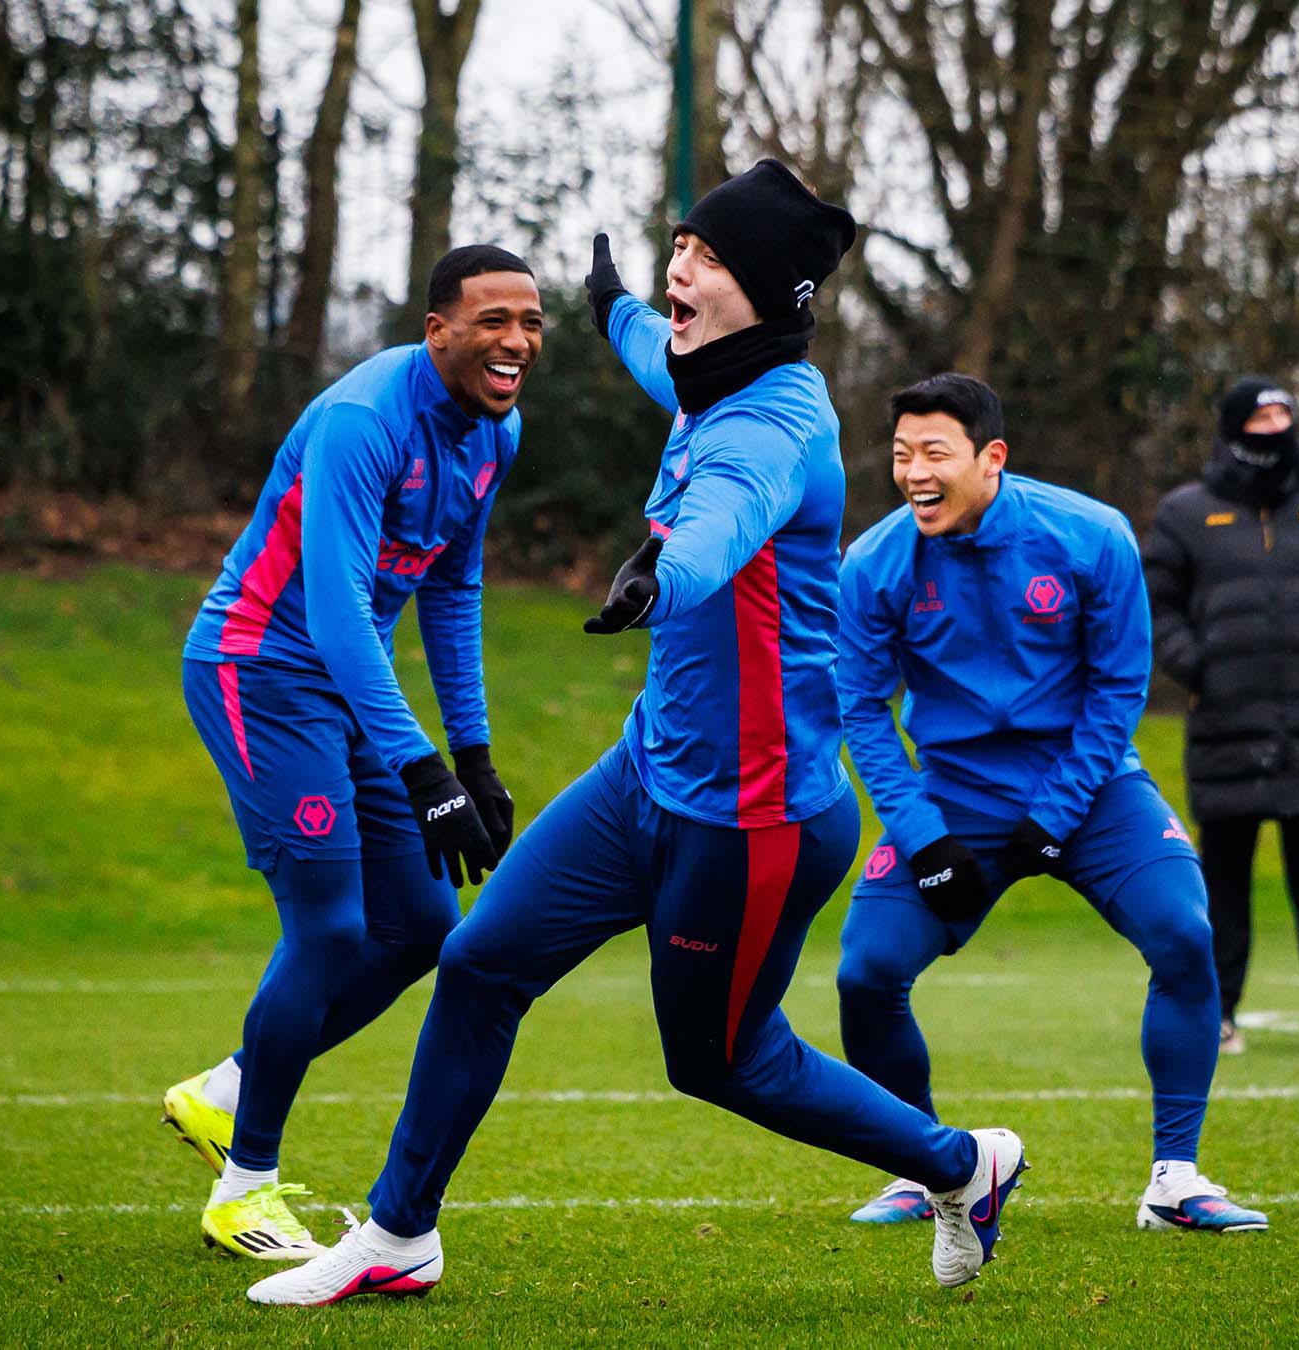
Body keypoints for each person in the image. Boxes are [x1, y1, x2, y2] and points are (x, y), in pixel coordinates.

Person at [246, 162, 1025, 1309]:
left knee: (721, 1060)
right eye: (678, 247)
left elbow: (721, 522)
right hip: (645, 775)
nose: (678, 270)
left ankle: (961, 1163)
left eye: (704, 257)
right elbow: (651, 352)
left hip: (753, 817)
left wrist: (663, 576)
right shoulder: (706, 369)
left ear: (767, 294)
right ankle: (400, 1232)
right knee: (478, 963)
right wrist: (613, 302)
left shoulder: (774, 425)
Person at [164, 244, 541, 1260]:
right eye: (493, 321)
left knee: (422, 927)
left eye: (531, 323)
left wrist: (472, 756)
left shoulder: (495, 433)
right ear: (438, 332)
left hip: (347, 684)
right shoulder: (364, 420)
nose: (515, 342)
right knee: (330, 927)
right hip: (258, 668)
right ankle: (244, 1189)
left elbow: (452, 590)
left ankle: (227, 1091)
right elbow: (335, 611)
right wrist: (420, 767)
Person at [834, 372, 1267, 1236]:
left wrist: (1057, 815)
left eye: (934, 453)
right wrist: (923, 837)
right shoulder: (874, 563)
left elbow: (1119, 687)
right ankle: (926, 1168)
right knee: (866, 973)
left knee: (1185, 935)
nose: (914, 473)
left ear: (991, 457)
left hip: (1091, 788)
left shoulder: (1091, 535)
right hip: (953, 799)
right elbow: (861, 709)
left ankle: (1175, 1179)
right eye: (901, 454)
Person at [1143, 378, 1299, 1056]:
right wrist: (1198, 667)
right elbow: (1156, 607)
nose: (1275, 425)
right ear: (1232, 428)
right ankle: (1217, 1013)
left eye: (1284, 413)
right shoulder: (1185, 514)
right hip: (1224, 728)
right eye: (1261, 415)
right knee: (1222, 879)